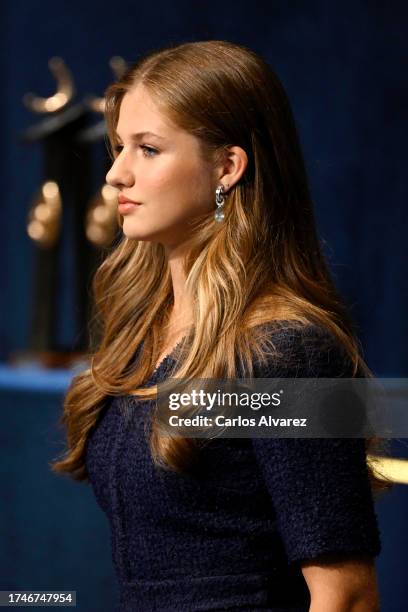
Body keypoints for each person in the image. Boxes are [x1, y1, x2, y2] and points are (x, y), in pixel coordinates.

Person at [51, 40, 390, 611]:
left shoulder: (290, 351)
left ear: (227, 167)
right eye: (117, 148)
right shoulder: (145, 330)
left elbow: (348, 596)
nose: (116, 175)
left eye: (148, 149)